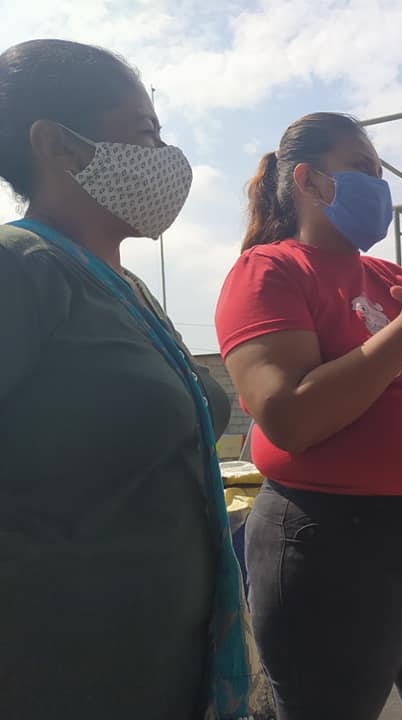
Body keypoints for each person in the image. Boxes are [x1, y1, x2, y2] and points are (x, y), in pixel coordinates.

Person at [0, 39, 264, 719]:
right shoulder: (20, 265)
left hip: (164, 664)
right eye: (146, 134)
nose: (165, 157)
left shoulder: (128, 291)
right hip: (62, 675)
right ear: (56, 145)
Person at [215, 112, 402, 720]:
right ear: (309, 181)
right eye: (362, 168)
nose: (379, 186)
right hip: (335, 539)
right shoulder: (269, 270)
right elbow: (290, 418)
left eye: (380, 173)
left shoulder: (391, 278)